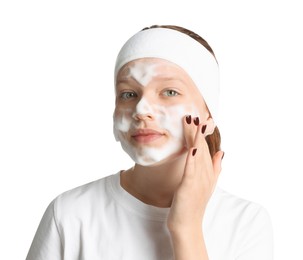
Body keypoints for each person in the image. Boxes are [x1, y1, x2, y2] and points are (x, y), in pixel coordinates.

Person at [26, 25, 273, 260]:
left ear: (208, 115)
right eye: (128, 94)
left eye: (170, 92)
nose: (141, 109)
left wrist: (186, 227)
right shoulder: (70, 214)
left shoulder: (245, 223)